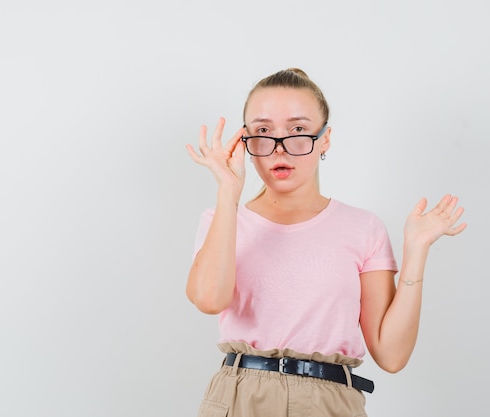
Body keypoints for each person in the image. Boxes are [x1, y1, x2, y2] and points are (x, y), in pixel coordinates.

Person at [185, 68, 466, 417]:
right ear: (245, 142)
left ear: (325, 139)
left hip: (330, 402)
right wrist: (229, 192)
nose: (279, 147)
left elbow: (391, 356)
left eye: (298, 130)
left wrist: (416, 250)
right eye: (262, 131)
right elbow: (210, 300)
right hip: (241, 396)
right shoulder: (222, 219)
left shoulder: (363, 227)